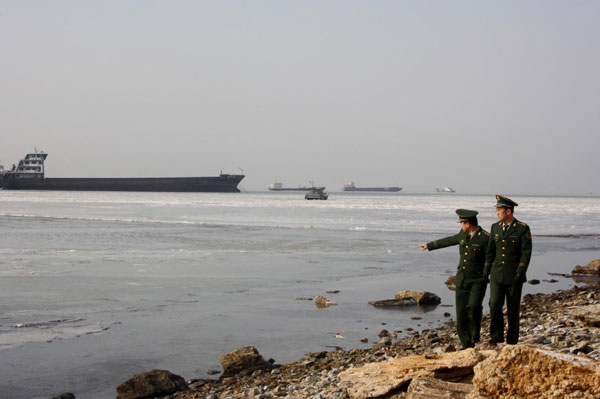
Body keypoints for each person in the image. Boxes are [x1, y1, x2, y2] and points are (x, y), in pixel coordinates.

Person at [419, 209, 489, 349]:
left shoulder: (485, 237)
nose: (461, 226)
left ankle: (475, 334)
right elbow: (450, 240)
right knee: (461, 312)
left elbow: (491, 258)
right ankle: (466, 343)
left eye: (461, 223)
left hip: (478, 279)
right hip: (462, 279)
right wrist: (430, 245)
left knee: (474, 307)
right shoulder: (463, 234)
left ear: (467, 223)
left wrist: (488, 275)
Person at [484, 195, 532, 346]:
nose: (497, 212)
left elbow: (526, 252)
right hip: (497, 274)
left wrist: (521, 271)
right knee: (494, 304)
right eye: (497, 209)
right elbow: (490, 250)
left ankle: (512, 339)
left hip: (514, 275)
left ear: (509, 211)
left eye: (499, 209)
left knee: (512, 309)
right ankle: (496, 336)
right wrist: (486, 270)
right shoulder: (495, 227)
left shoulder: (522, 228)